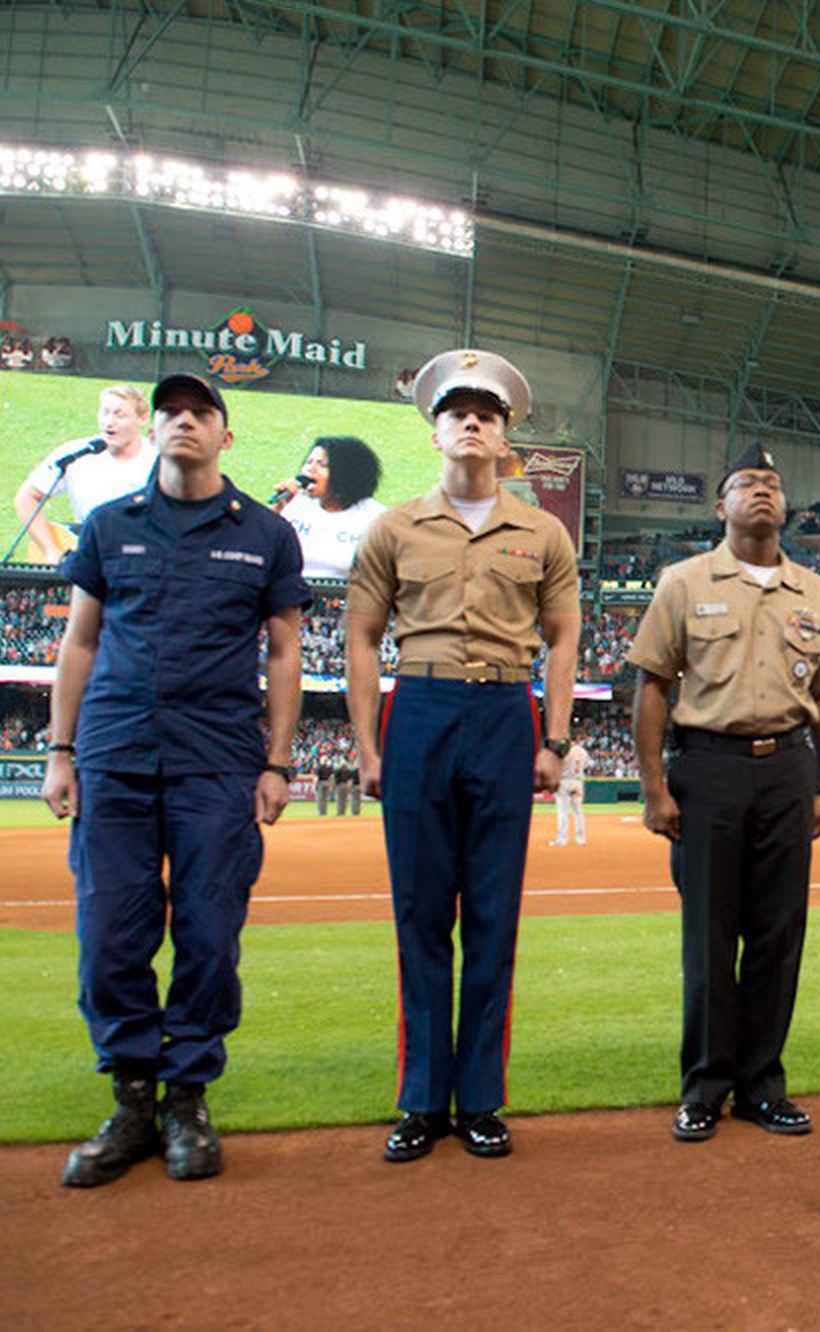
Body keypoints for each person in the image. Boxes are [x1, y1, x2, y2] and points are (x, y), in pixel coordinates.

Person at [41, 372, 307, 1186]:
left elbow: (285, 651)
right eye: (171, 414)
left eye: (200, 414)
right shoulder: (107, 525)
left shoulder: (264, 533)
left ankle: (187, 1097)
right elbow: (79, 643)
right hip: (115, 754)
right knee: (110, 935)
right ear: (153, 432)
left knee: (207, 931)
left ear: (226, 436)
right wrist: (60, 750)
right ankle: (130, 1099)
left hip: (220, 760)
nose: (183, 423)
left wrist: (278, 761)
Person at [345, 349, 581, 1163]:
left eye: (486, 413)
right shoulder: (394, 527)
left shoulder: (543, 531)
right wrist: (369, 745)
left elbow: (562, 639)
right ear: (436, 430)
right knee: (419, 914)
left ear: (506, 434)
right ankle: (421, 1101)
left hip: (505, 710)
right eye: (456, 412)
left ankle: (479, 1098)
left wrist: (554, 738)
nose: (471, 422)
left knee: (491, 915)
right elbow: (363, 638)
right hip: (421, 704)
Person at [628, 441, 820, 1143]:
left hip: (788, 768)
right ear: (720, 505)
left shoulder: (817, 593)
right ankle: (703, 1085)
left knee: (777, 936)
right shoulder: (683, 582)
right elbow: (652, 688)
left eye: (772, 483)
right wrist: (654, 787)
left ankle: (762, 1085)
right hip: (709, 767)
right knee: (708, 937)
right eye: (746, 483)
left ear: (784, 506)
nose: (762, 491)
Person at [13, 383, 156, 563]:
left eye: (120, 415)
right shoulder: (76, 453)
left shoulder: (161, 460)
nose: (109, 421)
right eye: (105, 413)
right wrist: (50, 550)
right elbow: (27, 498)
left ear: (142, 419)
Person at [269, 436, 387, 581]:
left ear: (347, 474)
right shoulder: (293, 505)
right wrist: (274, 512)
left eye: (322, 465)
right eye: (309, 462)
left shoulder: (375, 517)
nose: (310, 469)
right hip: (291, 595)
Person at [548, 737, 591, 846]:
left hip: (564, 781)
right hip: (577, 782)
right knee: (578, 813)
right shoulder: (582, 751)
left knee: (562, 812)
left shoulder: (563, 750)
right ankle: (581, 840)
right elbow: (586, 765)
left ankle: (562, 839)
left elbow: (556, 766)